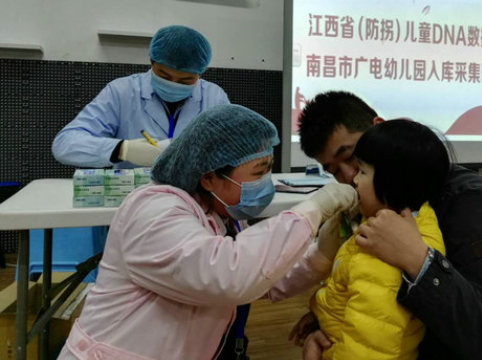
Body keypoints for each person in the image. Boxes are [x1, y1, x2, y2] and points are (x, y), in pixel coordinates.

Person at [56, 104, 358, 360]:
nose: (267, 181)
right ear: (210, 177)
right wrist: (313, 210)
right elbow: (230, 276)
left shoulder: (216, 213)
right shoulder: (154, 211)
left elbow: (264, 278)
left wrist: (320, 254)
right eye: (259, 171)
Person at [295, 91, 482, 359]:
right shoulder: (373, 207)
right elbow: (372, 296)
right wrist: (326, 323)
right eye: (334, 171)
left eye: (352, 157)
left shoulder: (471, 204)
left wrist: (419, 261)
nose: (349, 176)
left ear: (380, 128)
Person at [309, 119, 446, 360]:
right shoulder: (398, 221)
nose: (354, 180)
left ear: (394, 183)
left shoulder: (383, 259)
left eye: (362, 171)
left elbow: (367, 351)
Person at [52, 25, 230, 169]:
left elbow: (235, 150)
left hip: (193, 199)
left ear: (201, 73)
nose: (174, 84)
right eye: (165, 76)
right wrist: (122, 150)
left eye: (186, 80)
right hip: (134, 198)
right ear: (152, 62)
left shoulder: (214, 97)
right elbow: (65, 144)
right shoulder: (121, 92)